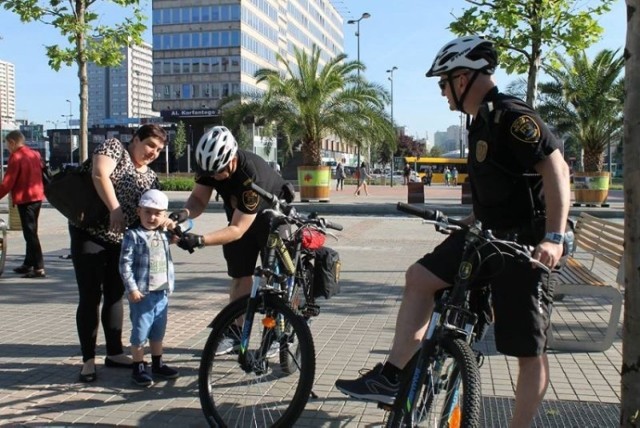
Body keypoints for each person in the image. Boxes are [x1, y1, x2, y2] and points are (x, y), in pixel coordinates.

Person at [335, 35, 570, 428]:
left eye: (443, 83)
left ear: (463, 79)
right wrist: (471, 221)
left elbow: (557, 169)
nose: (442, 92)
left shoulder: (512, 116)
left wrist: (555, 237)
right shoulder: (479, 124)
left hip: (524, 246)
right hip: (487, 235)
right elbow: (502, 189)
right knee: (420, 277)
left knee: (527, 352)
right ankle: (392, 377)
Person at [168, 126, 295, 355]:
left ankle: (276, 333)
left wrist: (200, 240)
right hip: (240, 215)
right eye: (211, 173)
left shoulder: (249, 177)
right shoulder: (209, 167)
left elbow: (237, 229)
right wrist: (183, 214)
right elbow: (198, 198)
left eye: (219, 171)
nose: (215, 177)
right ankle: (234, 334)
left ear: (233, 159)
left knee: (273, 280)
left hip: (271, 219)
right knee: (240, 276)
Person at [72, 124, 167, 383]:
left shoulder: (150, 178)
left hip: (121, 242)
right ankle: (88, 360)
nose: (153, 153)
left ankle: (114, 351)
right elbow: (99, 174)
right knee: (91, 296)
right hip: (89, 233)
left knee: (115, 295)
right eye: (150, 145)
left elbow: (151, 213)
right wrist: (115, 208)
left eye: (159, 149)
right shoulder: (114, 147)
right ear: (135, 139)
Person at [119, 189, 179, 387]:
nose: (152, 217)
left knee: (158, 332)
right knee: (140, 332)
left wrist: (173, 225)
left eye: (158, 213)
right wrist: (132, 288)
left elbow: (183, 233)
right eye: (147, 212)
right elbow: (124, 264)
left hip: (161, 292)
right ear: (139, 211)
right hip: (143, 294)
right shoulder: (133, 235)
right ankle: (138, 366)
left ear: (164, 215)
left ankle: (157, 363)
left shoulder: (164, 235)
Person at [0, 131, 46, 278]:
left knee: (30, 233)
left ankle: (38, 267)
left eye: (7, 144)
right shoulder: (35, 154)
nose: (7, 147)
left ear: (12, 142)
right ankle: (28, 263)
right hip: (37, 196)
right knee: (31, 230)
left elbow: (8, 183)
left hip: (25, 198)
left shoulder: (16, 157)